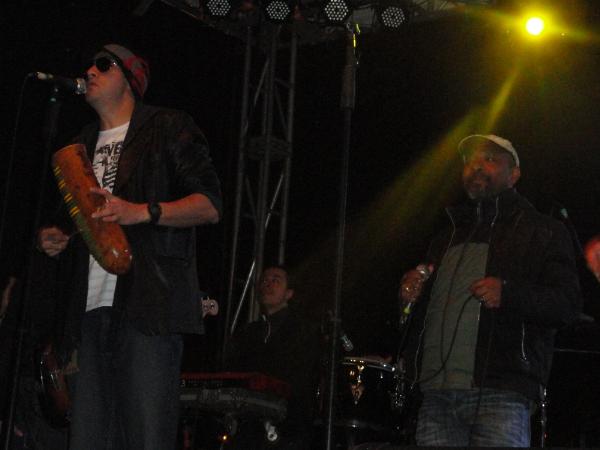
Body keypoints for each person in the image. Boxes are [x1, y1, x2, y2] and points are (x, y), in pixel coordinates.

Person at [37, 44, 222, 450]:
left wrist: (140, 212)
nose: (90, 70)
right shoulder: (79, 146)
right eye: (90, 64)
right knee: (87, 439)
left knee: (145, 437)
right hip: (86, 316)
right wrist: (56, 238)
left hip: (147, 308)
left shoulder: (166, 126)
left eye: (104, 65)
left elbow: (209, 205)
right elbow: (70, 223)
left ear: (131, 79)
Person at [398, 134, 581, 447]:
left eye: (490, 159)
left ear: (514, 174)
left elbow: (567, 305)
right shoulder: (446, 235)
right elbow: (421, 314)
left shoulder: (543, 230)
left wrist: (508, 294)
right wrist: (408, 298)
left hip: (501, 392)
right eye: (470, 161)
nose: (477, 167)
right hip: (436, 394)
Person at [225, 265, 321, 449]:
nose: (268, 284)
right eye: (265, 280)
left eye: (275, 280)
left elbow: (301, 380)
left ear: (289, 293)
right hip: (250, 423)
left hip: (288, 425)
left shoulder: (304, 331)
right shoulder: (249, 332)